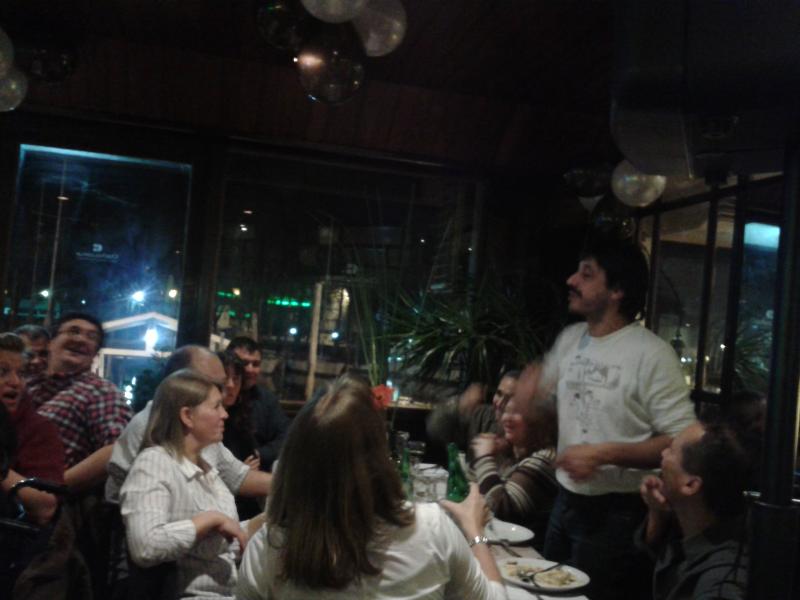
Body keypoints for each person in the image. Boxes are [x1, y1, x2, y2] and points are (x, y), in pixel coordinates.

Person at [235, 375, 508, 600]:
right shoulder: (432, 530)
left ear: (294, 461)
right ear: (379, 456)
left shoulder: (268, 547)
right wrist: (475, 531)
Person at [534, 236, 697, 600]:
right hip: (565, 500)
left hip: (618, 514)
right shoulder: (570, 338)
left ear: (617, 290)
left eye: (586, 274)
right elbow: (542, 402)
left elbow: (683, 440)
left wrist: (603, 453)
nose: (571, 280)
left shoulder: (651, 354)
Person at [121, 369, 263, 600]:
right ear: (187, 416)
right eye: (216, 407)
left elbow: (218, 549)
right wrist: (211, 519)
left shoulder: (206, 467)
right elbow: (145, 546)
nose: (225, 414)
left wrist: (266, 522)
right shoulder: (154, 462)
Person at [106, 345, 272, 504]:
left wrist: (285, 484)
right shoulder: (151, 427)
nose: (225, 391)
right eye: (214, 385)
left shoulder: (200, 426)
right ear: (179, 383)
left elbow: (237, 477)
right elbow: (155, 515)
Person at [637, 421, 751, 599]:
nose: (663, 453)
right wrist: (657, 512)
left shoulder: (723, 575)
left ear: (690, 485)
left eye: (671, 451)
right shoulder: (687, 528)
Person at [26, 312, 130, 492]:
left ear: (95, 353)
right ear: (51, 342)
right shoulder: (27, 384)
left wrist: (53, 488)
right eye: (73, 331)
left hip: (48, 503)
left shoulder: (101, 391)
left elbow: (118, 448)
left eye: (92, 337)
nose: (81, 339)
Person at [471, 377, 558, 549]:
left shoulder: (545, 460)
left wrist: (484, 458)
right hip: (500, 545)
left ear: (539, 420)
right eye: (506, 412)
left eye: (517, 413)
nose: (507, 418)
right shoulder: (512, 452)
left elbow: (502, 510)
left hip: (525, 556)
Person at [0, 333, 64, 525]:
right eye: (2, 372)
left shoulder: (39, 430)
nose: (15, 382)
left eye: (21, 374)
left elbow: (45, 507)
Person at [226, 337, 290, 472]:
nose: (250, 369)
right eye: (244, 363)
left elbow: (285, 436)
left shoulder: (267, 399)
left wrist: (258, 455)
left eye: (255, 364)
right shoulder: (221, 401)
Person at [426, 370, 520, 455]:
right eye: (499, 394)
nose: (499, 403)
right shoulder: (483, 415)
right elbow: (435, 429)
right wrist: (459, 406)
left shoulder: (523, 430)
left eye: (509, 398)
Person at [218, 351, 263, 519]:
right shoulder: (209, 421)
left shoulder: (241, 415)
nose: (230, 385)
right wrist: (241, 471)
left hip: (246, 500)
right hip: (226, 506)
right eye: (225, 379)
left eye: (236, 379)